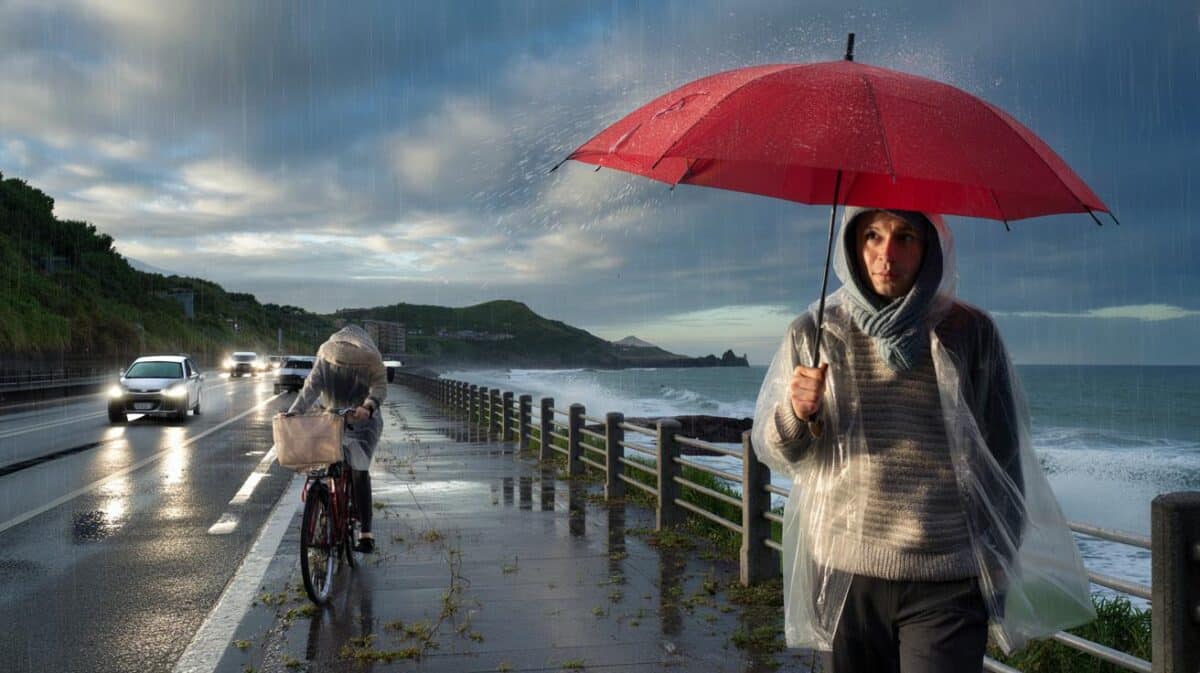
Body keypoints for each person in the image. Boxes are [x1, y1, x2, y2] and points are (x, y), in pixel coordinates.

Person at [752, 207, 1094, 672]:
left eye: (905, 237)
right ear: (851, 246)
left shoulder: (971, 333)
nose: (885, 254)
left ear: (931, 247)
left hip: (947, 577)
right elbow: (781, 452)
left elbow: (1004, 457)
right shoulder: (816, 332)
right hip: (844, 571)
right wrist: (797, 411)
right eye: (871, 235)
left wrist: (1000, 561)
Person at [288, 324, 387, 553]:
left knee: (359, 469)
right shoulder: (326, 358)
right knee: (329, 462)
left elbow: (380, 388)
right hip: (332, 417)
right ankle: (328, 510)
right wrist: (295, 411)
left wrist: (368, 406)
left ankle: (366, 532)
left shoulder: (371, 361)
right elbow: (311, 387)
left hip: (364, 421)